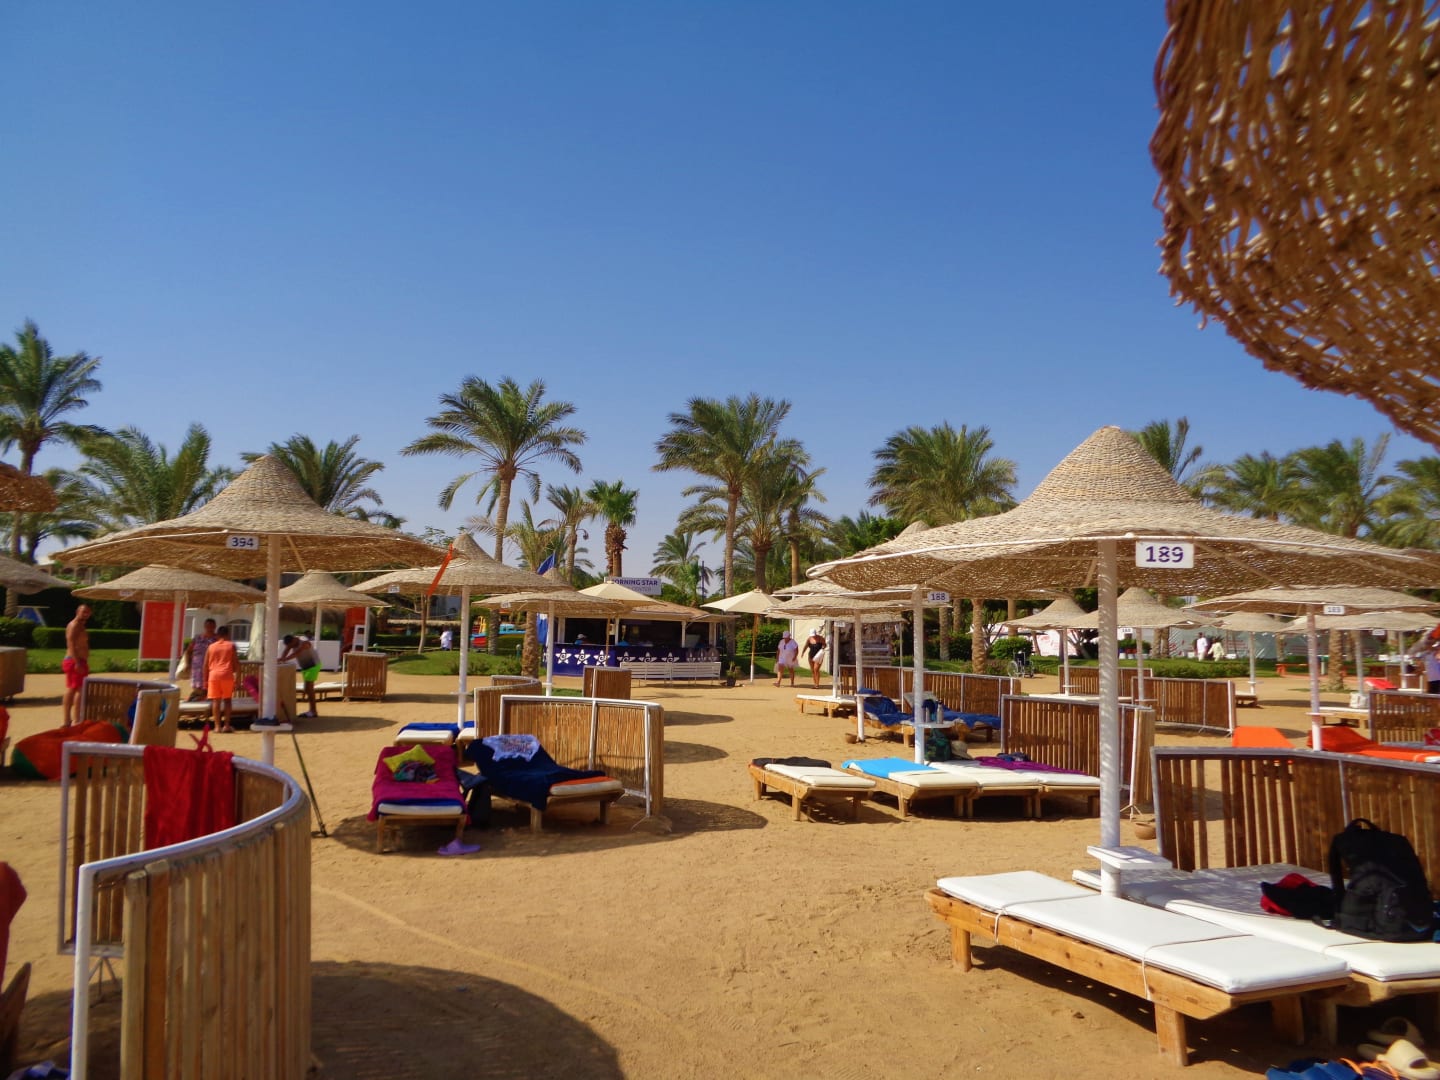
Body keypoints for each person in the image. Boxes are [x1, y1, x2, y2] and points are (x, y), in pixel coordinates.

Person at [61, 604, 92, 727]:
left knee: (74, 689)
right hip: (75, 661)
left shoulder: (80, 625)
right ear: (77, 612)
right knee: (78, 690)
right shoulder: (74, 625)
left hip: (78, 660)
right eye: (84, 612)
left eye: (88, 612)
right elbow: (71, 644)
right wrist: (77, 662)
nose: (86, 614)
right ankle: (76, 719)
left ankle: (69, 720)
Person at [205, 625, 239, 733]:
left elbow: (205, 665)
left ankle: (217, 726)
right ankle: (226, 725)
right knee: (227, 700)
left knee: (216, 701)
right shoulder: (231, 646)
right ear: (228, 634)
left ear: (217, 635)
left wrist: (205, 680)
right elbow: (236, 663)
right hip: (227, 675)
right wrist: (237, 679)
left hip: (213, 675)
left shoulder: (211, 647)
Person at [280, 634, 322, 718]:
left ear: (294, 640)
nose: (290, 647)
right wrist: (282, 658)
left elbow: (296, 653)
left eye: (291, 645)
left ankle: (313, 711)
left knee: (309, 689)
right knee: (307, 689)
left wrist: (284, 659)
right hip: (306, 668)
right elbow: (286, 651)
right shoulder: (291, 642)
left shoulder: (304, 642)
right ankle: (312, 710)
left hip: (313, 666)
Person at [184, 619, 218, 702]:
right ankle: (194, 701)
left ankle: (202, 702)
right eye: (207, 626)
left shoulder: (217, 639)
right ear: (204, 626)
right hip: (197, 668)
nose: (209, 628)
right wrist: (187, 664)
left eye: (211, 626)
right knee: (197, 688)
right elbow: (188, 652)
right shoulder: (197, 638)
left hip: (211, 668)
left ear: (215, 627)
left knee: (208, 688)